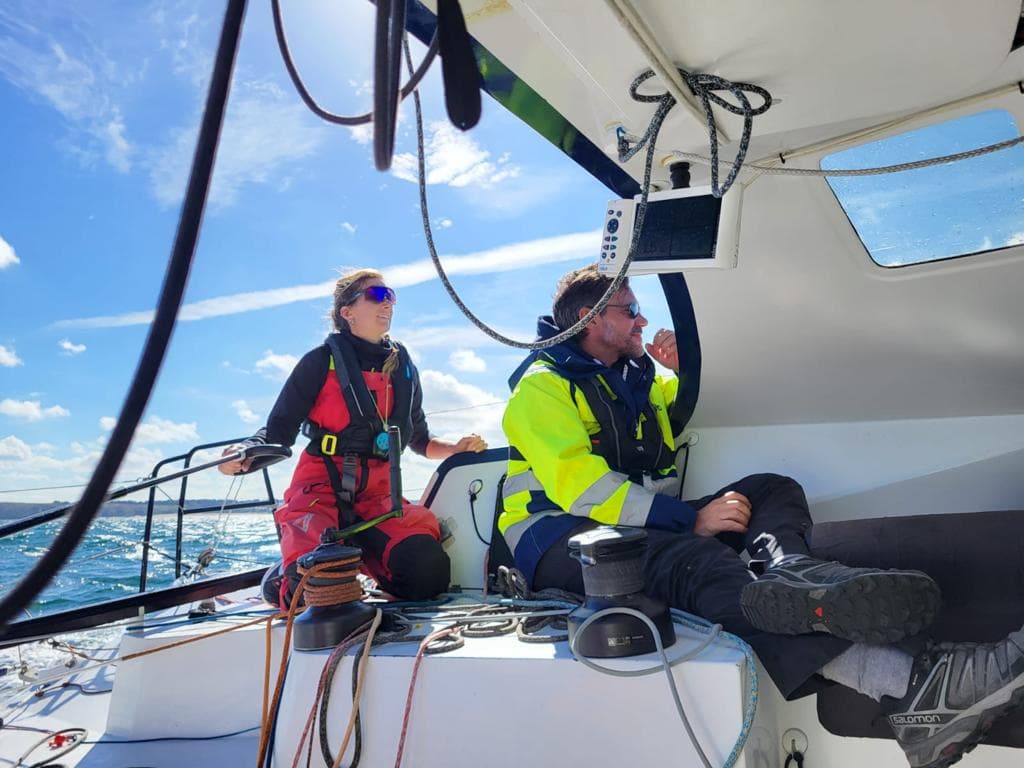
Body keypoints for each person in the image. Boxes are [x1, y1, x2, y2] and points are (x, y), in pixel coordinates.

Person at [498, 264, 1024, 768]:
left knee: (769, 488)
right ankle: (914, 688)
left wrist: (686, 371)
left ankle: (795, 577)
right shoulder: (541, 387)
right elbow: (581, 487)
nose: (641, 319)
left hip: (638, 528)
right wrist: (691, 521)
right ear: (591, 317)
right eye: (630, 309)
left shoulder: (636, 383)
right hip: (561, 546)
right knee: (696, 564)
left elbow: (671, 419)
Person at [222, 268, 486, 607]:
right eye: (376, 295)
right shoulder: (319, 362)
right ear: (347, 312)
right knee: (319, 587)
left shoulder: (404, 368)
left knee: (427, 571)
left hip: (379, 498)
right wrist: (242, 454)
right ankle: (280, 582)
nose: (387, 303)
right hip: (320, 490)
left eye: (391, 296)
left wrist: (456, 449)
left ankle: (362, 565)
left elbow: (418, 438)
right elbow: (277, 432)